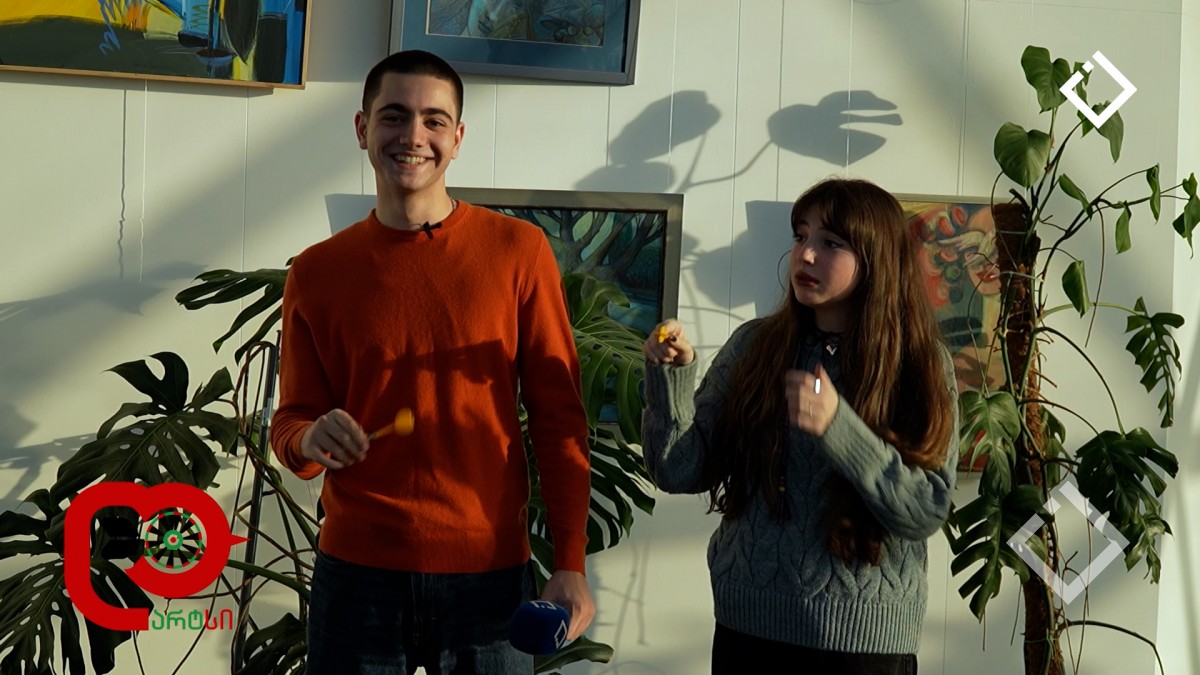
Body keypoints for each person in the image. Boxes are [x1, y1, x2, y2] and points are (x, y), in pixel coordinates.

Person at [269, 49, 595, 675]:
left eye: (434, 120)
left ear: (458, 137)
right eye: (394, 116)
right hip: (357, 577)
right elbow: (291, 425)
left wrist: (571, 562)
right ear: (362, 128)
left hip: (489, 577)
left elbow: (559, 420)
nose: (413, 136)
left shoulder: (519, 252)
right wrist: (311, 437)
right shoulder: (316, 272)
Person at [641, 178, 959, 675]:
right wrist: (671, 377)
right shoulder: (753, 346)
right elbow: (676, 470)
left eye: (830, 243)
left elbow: (925, 511)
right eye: (800, 236)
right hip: (748, 633)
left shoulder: (919, 365)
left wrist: (839, 429)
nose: (805, 255)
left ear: (876, 258)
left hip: (864, 646)